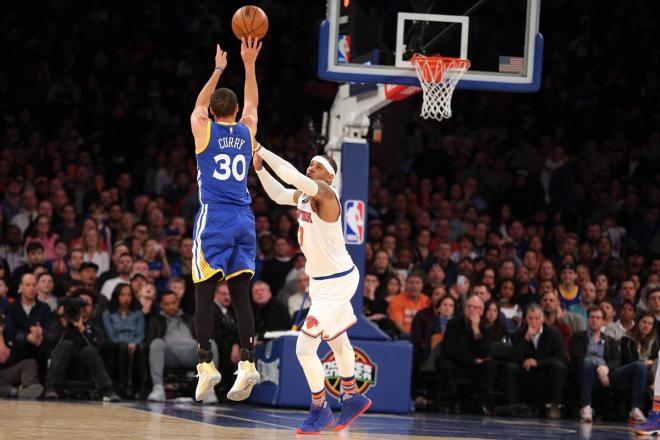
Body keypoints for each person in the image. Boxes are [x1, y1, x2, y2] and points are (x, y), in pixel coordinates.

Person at [253, 144, 372, 433]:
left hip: (337, 281)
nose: (311, 168)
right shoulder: (306, 196)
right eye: (310, 164)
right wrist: (259, 169)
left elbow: (292, 176)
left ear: (330, 177)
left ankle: (320, 408)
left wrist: (261, 149)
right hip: (322, 282)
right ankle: (352, 395)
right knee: (337, 339)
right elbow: (279, 193)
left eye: (317, 166)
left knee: (304, 348)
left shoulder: (327, 195)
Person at [189, 38, 262, 402]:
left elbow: (198, 107)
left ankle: (206, 365)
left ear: (213, 112)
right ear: (234, 110)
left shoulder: (204, 129)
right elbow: (253, 104)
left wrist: (218, 68)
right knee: (240, 297)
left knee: (203, 295)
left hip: (215, 218)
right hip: (243, 219)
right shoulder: (247, 130)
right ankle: (247, 363)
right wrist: (249, 63)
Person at [570, 306, 647, 424]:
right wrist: (599, 369)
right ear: (588, 319)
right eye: (592, 317)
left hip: (607, 374)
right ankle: (586, 407)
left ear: (603, 321)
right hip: (587, 374)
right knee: (586, 362)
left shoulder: (609, 340)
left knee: (639, 366)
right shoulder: (578, 336)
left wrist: (606, 368)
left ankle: (636, 409)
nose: (594, 320)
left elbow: (616, 360)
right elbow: (577, 357)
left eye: (598, 318)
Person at [504, 304, 567, 419]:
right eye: (530, 318)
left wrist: (537, 362)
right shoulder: (519, 333)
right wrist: (526, 338)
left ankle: (554, 406)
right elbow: (514, 358)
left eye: (537, 318)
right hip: (526, 372)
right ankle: (513, 406)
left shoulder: (553, 333)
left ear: (543, 319)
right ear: (525, 319)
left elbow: (562, 358)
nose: (534, 322)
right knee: (511, 367)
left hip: (546, 372)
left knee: (558, 366)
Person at [438, 295, 497, 414]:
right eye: (469, 306)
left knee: (490, 365)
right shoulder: (453, 324)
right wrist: (473, 360)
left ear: (481, 311)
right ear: (464, 308)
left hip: (475, 369)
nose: (471, 310)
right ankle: (454, 402)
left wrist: (476, 331)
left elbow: (484, 353)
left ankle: (482, 403)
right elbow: (449, 350)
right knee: (444, 364)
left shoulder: (485, 329)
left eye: (475, 307)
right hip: (457, 365)